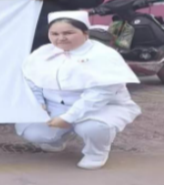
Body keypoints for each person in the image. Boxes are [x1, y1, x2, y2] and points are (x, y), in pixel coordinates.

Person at [17, 12, 142, 170]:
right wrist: (39, 102)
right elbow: (30, 79)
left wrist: (69, 117)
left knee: (93, 127)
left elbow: (100, 94)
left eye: (68, 33)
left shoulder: (104, 55)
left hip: (101, 107)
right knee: (32, 130)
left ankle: (96, 153)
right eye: (54, 34)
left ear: (85, 33)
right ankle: (57, 139)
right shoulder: (42, 53)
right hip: (55, 105)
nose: (61, 38)